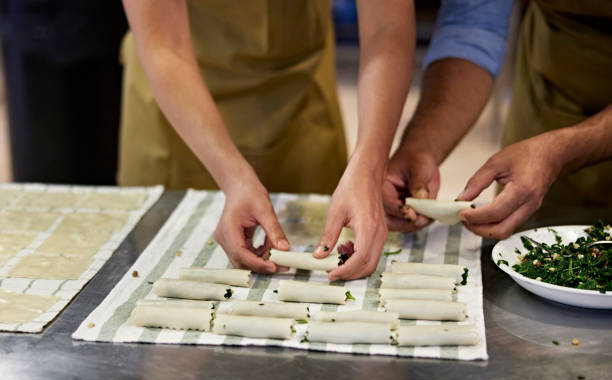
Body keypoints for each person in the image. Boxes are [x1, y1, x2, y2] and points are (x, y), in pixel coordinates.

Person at [120, 0, 415, 280]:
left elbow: (386, 29)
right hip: (179, 104)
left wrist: (369, 169)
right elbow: (165, 45)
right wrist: (233, 177)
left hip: (301, 97)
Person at [383, 0, 612, 240]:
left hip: (555, 145)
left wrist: (561, 152)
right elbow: (473, 24)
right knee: (538, 247)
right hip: (552, 87)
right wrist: (421, 147)